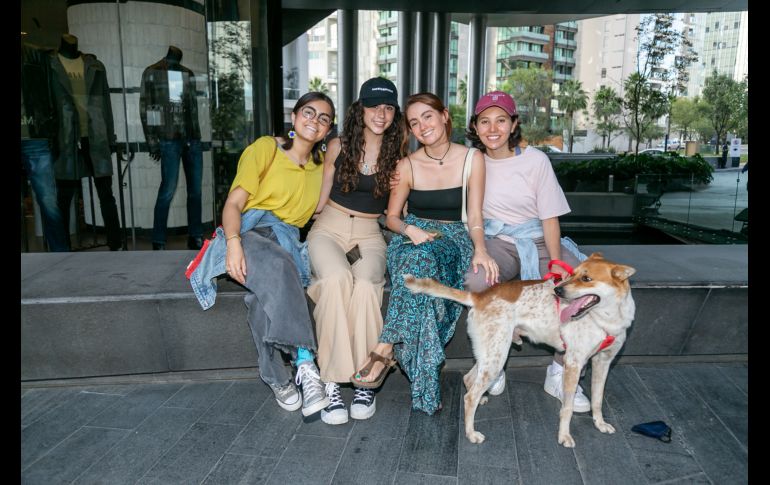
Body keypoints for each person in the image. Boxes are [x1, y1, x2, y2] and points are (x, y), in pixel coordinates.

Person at [188, 92, 335, 416]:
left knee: (261, 300)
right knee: (282, 268)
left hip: (285, 241)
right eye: (308, 113)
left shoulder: (322, 168)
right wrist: (234, 242)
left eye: (324, 118)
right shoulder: (266, 149)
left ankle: (276, 377)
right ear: (295, 118)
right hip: (251, 230)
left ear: (327, 131)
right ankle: (305, 362)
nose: (315, 121)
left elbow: (322, 208)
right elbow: (234, 204)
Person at [350, 92, 498, 415]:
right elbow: (391, 217)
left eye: (427, 117)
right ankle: (421, 382)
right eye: (414, 123)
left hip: (453, 239)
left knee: (423, 264)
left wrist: (481, 250)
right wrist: (410, 230)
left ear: (444, 115)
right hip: (411, 237)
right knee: (418, 265)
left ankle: (385, 345)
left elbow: (474, 216)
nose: (422, 127)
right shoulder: (407, 166)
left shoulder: (473, 159)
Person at [463, 90, 590, 412]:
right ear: (475, 126)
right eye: (485, 121)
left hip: (537, 237)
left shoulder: (536, 160)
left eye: (501, 120)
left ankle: (561, 373)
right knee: (478, 282)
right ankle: (494, 362)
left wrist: (558, 262)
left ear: (514, 123)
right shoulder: (471, 162)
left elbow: (549, 218)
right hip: (498, 241)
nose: (493, 129)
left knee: (581, 290)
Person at [306, 78, 407, 425]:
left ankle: (366, 376)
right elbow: (321, 195)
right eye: (373, 106)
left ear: (395, 113)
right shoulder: (339, 145)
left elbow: (401, 207)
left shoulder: (400, 154)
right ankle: (332, 379)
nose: (380, 113)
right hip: (329, 229)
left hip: (368, 234)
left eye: (388, 107)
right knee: (335, 279)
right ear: (359, 109)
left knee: (365, 284)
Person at [49, 34, 123, 251]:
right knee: (65, 196)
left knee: (106, 194)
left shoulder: (95, 66)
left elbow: (106, 104)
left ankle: (115, 243)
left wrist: (110, 138)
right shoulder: (51, 64)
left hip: (95, 137)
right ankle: (61, 247)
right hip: (65, 138)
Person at [140, 46, 204, 250]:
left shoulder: (187, 73)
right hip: (168, 139)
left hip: (192, 138)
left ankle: (195, 235)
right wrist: (152, 141)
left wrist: (197, 137)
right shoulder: (153, 72)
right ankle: (158, 239)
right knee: (167, 189)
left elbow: (192, 108)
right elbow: (147, 107)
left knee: (195, 191)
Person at [21, 41, 69, 252]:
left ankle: (62, 256)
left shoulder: (37, 56)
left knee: (49, 202)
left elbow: (54, 99)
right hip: (37, 138)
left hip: (36, 137)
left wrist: (54, 134)